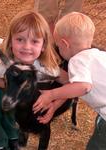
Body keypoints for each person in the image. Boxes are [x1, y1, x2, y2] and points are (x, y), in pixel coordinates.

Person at [0, 10, 66, 150]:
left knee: (14, 102)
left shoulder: (45, 65)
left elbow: (70, 83)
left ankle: (11, 132)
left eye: (34, 41)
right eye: (20, 39)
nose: (27, 47)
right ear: (10, 41)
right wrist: (15, 88)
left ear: (43, 46)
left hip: (11, 75)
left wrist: (54, 105)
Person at [33, 12, 106, 149]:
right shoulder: (100, 55)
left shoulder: (77, 60)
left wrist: (51, 94)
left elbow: (83, 86)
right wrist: (54, 106)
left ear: (64, 44)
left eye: (59, 47)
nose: (59, 50)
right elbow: (73, 86)